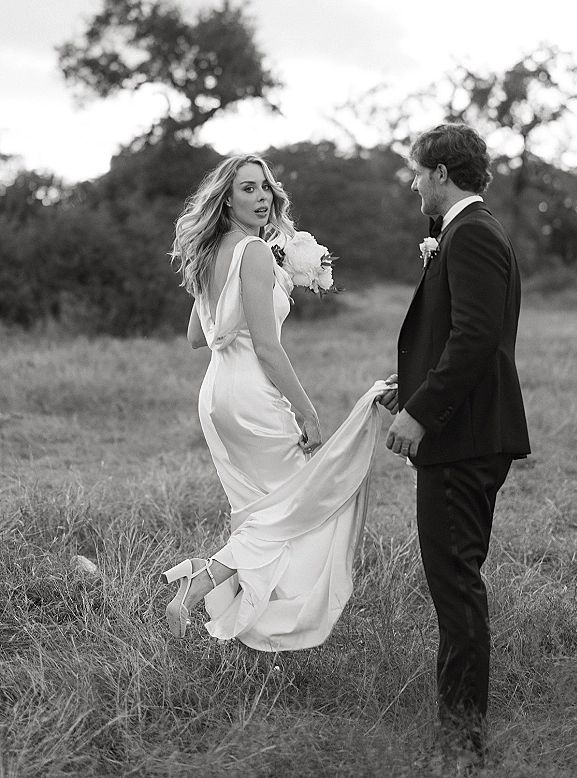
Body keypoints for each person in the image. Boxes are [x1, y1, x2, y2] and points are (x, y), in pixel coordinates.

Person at [163, 154, 395, 651]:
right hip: (250, 396)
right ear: (227, 197)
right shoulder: (254, 253)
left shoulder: (213, 252)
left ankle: (206, 589)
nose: (262, 196)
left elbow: (196, 336)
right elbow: (268, 348)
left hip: (216, 395)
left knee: (261, 507)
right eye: (247, 189)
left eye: (265, 187)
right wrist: (307, 410)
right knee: (296, 503)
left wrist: (251, 296)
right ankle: (200, 585)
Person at [380, 123, 530, 766]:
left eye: (417, 172)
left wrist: (421, 413)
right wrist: (407, 386)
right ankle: (460, 732)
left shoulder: (470, 235)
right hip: (466, 431)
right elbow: (458, 337)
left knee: (455, 583)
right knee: (455, 581)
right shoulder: (468, 233)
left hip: (462, 438)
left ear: (441, 172)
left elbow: (475, 339)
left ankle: (463, 741)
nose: (414, 184)